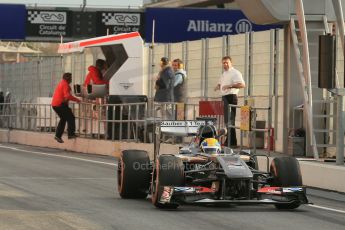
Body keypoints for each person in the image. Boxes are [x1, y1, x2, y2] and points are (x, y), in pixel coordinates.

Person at [214, 56, 245, 147]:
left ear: (231, 63)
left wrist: (229, 86)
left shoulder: (235, 72)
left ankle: (232, 142)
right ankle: (230, 140)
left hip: (231, 97)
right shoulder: (224, 74)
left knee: (230, 120)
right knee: (227, 120)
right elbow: (221, 83)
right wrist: (218, 86)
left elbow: (242, 84)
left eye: (227, 62)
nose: (225, 64)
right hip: (225, 97)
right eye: (223, 63)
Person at [52, 73, 81, 143]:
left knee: (63, 119)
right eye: (70, 78)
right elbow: (67, 96)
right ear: (67, 78)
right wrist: (77, 100)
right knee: (71, 117)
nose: (71, 79)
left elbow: (65, 96)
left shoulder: (62, 83)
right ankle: (71, 134)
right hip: (60, 104)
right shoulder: (65, 84)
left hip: (55, 105)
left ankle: (58, 136)